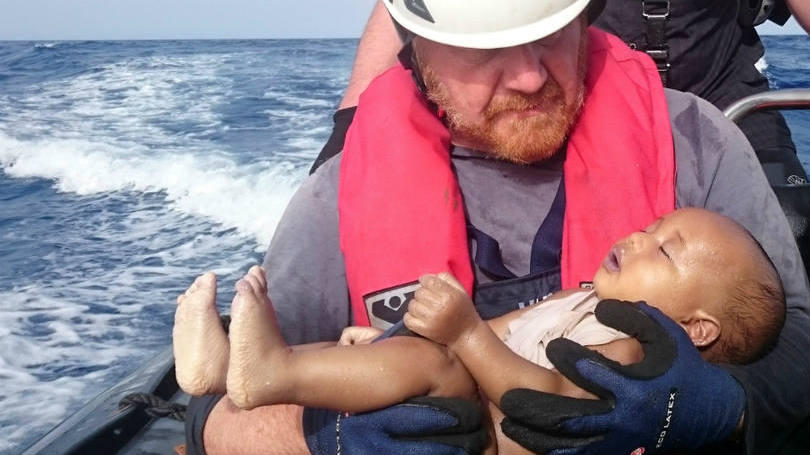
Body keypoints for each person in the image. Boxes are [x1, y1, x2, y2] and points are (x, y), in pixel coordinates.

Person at [181, 1, 810, 454]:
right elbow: (220, 406)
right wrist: (319, 439)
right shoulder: (335, 195)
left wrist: (715, 406)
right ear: (417, 45)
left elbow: (795, 350)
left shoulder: (698, 144)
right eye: (487, 51)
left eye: (552, 36)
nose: (532, 75)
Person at [175, 208, 786, 455]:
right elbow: (505, 327)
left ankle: (271, 372)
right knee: (404, 352)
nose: (636, 239)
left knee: (432, 369)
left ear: (697, 330)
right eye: (652, 226)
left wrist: (464, 336)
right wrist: (394, 338)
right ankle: (225, 371)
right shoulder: (583, 298)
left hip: (485, 436)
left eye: (665, 252)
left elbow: (551, 404)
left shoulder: (635, 353)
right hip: (447, 395)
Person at [312, 0, 810, 182]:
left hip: (727, 102)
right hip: (582, 104)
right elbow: (421, 9)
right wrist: (347, 128)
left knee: (791, 226)